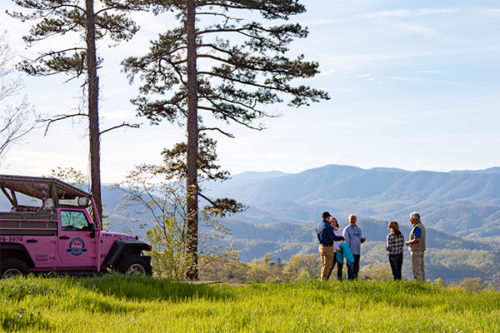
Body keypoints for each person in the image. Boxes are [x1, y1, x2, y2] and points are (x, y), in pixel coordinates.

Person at [316, 211, 345, 281]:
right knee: (328, 265)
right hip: (328, 247)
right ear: (328, 217)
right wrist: (341, 238)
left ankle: (322, 279)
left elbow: (318, 235)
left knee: (323, 264)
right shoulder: (328, 226)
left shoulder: (319, 225)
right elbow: (333, 237)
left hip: (321, 246)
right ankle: (324, 281)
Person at [342, 214, 366, 280]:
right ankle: (350, 282)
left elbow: (359, 239)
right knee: (350, 268)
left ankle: (355, 281)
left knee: (356, 268)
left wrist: (362, 240)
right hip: (350, 252)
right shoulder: (346, 230)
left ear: (356, 220)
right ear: (349, 220)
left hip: (357, 252)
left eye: (353, 219)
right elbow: (345, 242)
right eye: (351, 219)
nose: (352, 220)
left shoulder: (359, 230)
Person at [405, 212, 426, 282]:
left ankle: (419, 285)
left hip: (416, 250)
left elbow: (417, 239)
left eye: (411, 219)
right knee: (421, 269)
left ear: (415, 219)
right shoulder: (422, 226)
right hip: (421, 250)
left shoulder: (417, 227)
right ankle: (423, 284)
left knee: (416, 269)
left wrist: (409, 242)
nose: (410, 220)